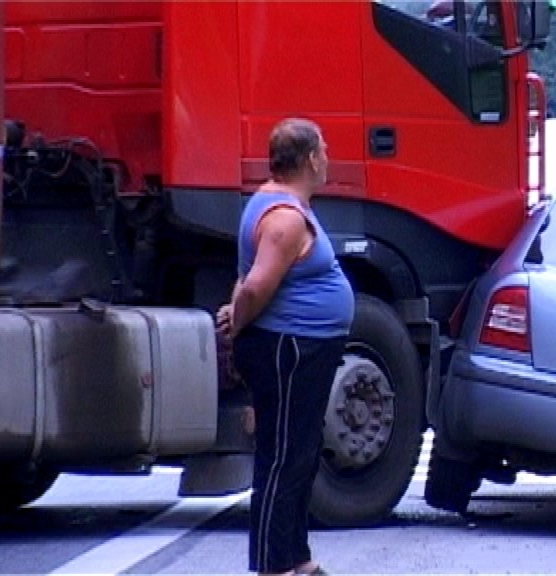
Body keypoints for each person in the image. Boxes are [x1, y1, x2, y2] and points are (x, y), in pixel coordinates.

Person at [217, 118, 353, 576]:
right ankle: (274, 567)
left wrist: (236, 309)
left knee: (301, 454)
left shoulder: (277, 204)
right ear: (311, 159)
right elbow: (256, 286)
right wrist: (237, 322)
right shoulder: (285, 220)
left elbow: (246, 279)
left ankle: (297, 558)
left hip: (302, 347)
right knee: (283, 460)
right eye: (324, 150)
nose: (328, 158)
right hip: (291, 349)